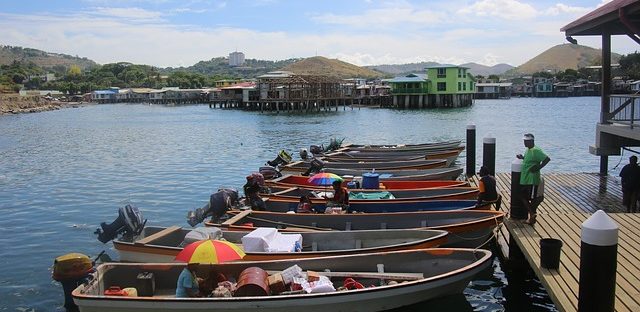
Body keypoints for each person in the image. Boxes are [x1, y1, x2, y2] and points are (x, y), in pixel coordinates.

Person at [516, 133, 550, 225]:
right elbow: (530, 160)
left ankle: (532, 214)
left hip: (532, 178)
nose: (524, 143)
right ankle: (532, 216)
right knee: (522, 195)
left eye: (526, 141)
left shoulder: (536, 150)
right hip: (525, 178)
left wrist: (538, 167)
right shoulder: (528, 150)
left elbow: (547, 159)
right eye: (524, 141)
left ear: (531, 141)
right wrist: (522, 157)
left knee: (532, 197)